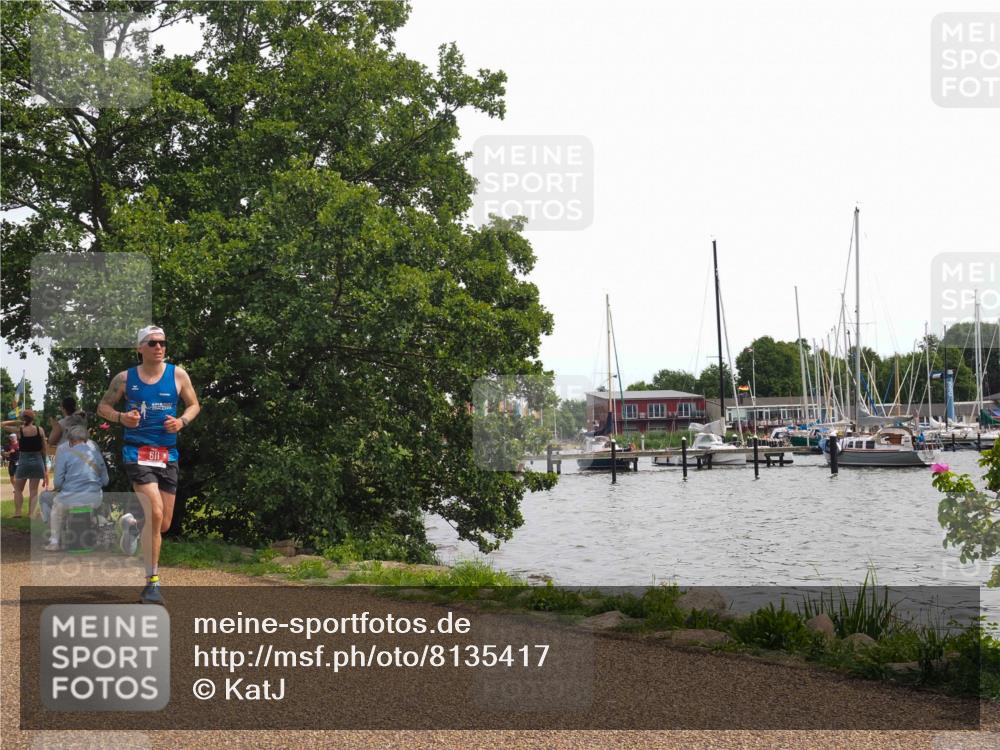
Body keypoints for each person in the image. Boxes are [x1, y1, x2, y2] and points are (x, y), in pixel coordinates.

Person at [98, 325, 200, 605]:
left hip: (168, 454)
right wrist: (120, 418)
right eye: (153, 343)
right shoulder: (125, 378)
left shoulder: (178, 375)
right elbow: (103, 407)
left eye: (163, 342)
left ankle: (133, 525)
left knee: (163, 523)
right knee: (155, 510)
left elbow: (194, 405)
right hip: (137, 452)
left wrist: (182, 422)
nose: (159, 347)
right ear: (140, 348)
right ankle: (151, 583)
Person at [39, 425, 109, 551]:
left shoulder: (64, 451)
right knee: (86, 504)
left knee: (56, 507)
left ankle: (55, 541)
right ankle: (93, 525)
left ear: (70, 441)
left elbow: (58, 483)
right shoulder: (94, 450)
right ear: (86, 439)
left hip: (71, 498)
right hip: (95, 498)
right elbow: (105, 480)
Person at [2, 410, 49, 518]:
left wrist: (17, 422)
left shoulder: (19, 430)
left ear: (24, 419)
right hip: (37, 460)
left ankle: (18, 513)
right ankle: (31, 514)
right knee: (33, 490)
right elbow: (44, 449)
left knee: (18, 489)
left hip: (23, 460)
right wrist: (45, 466)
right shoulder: (40, 430)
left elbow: (2, 424)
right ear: (33, 419)